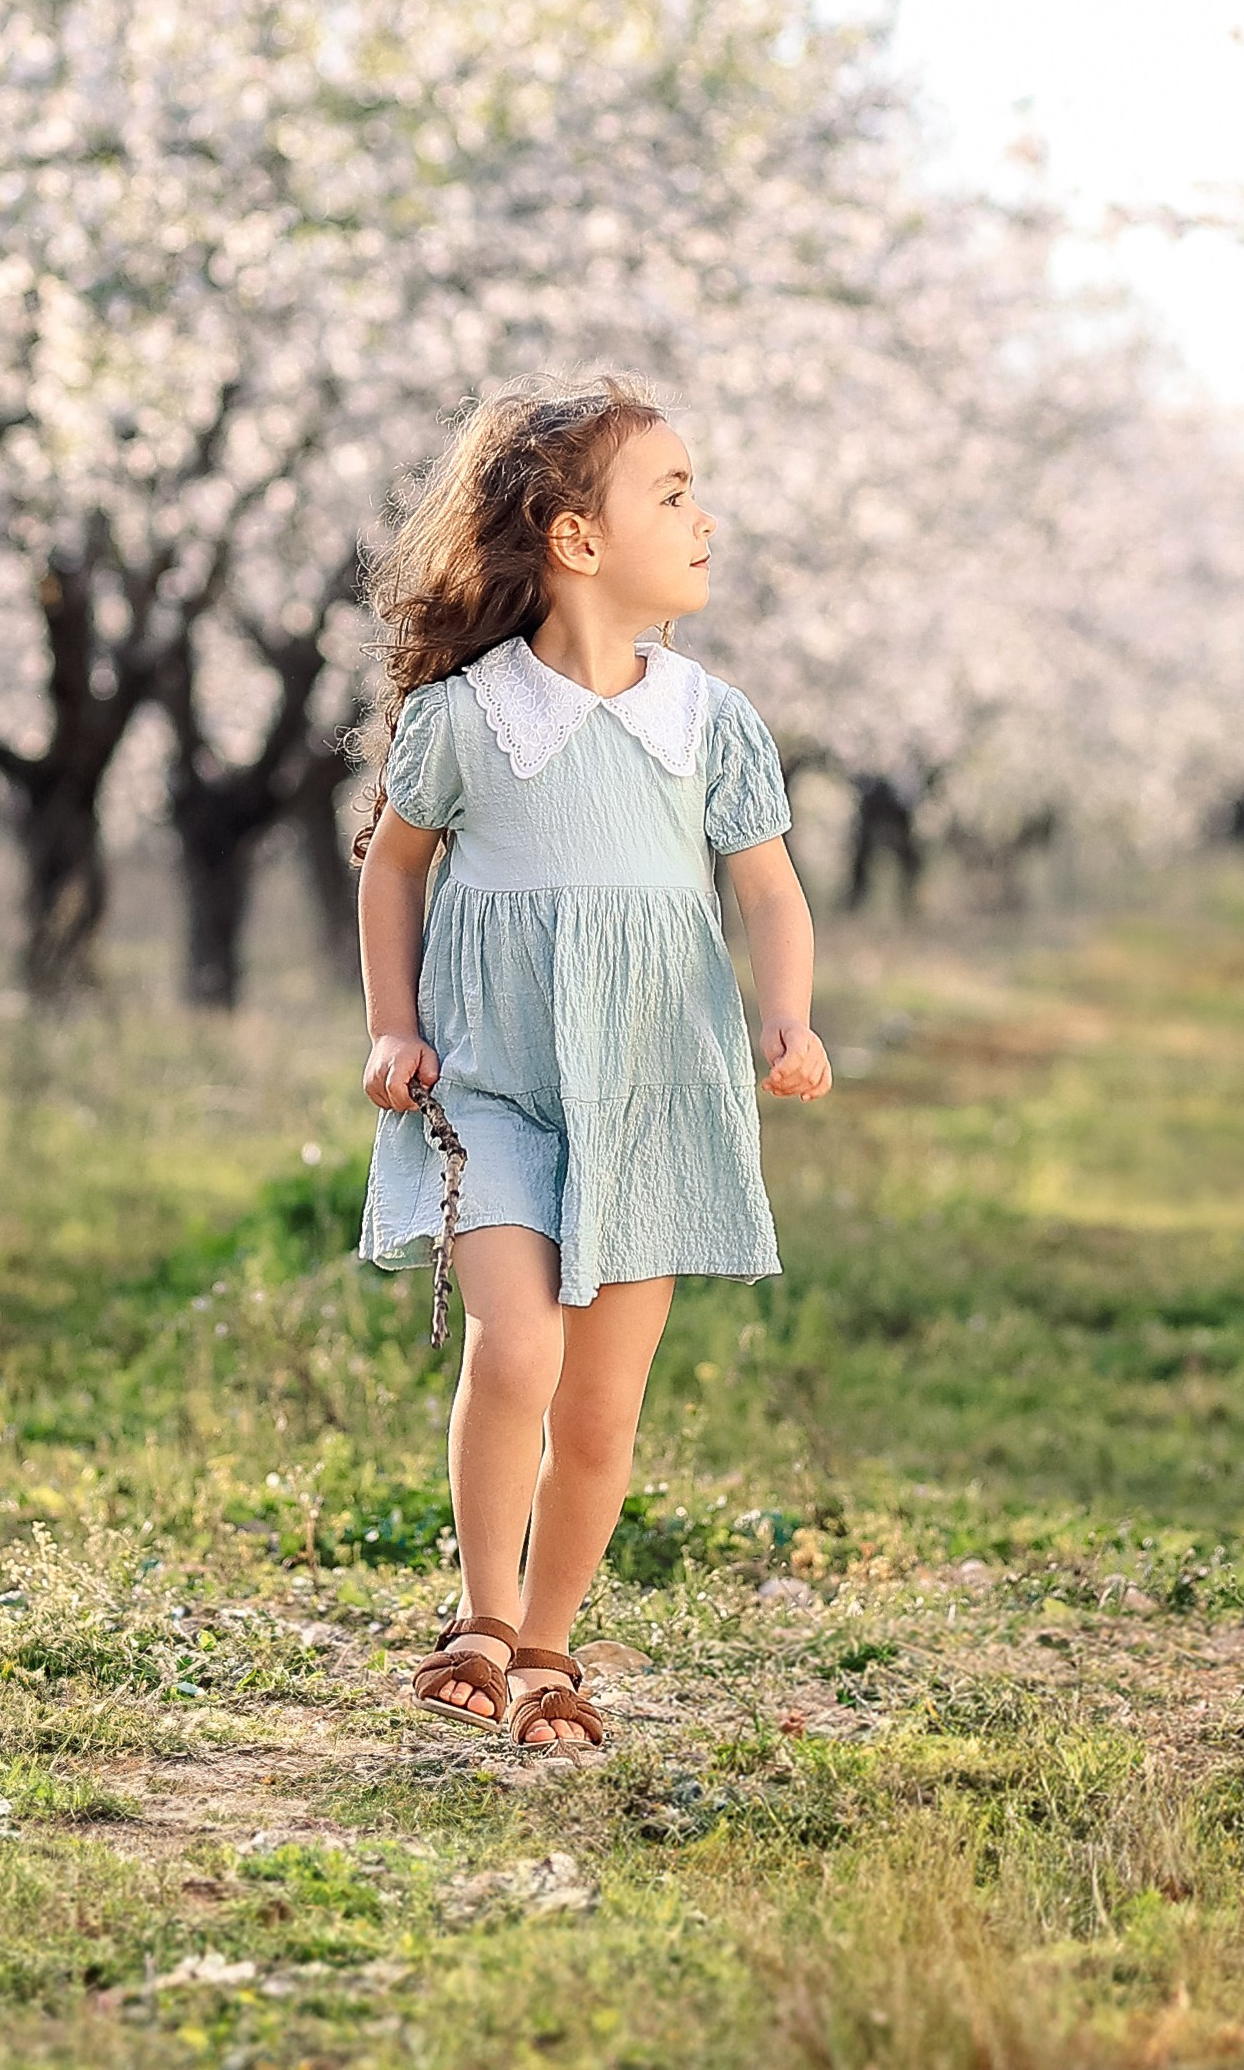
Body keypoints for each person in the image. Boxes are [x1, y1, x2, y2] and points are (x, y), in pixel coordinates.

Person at [356, 375, 831, 1751]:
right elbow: (392, 870)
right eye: (672, 494)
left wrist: (787, 1018)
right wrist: (391, 1026)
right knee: (517, 1350)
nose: (706, 520)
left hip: (655, 1093)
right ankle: (479, 1620)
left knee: (605, 1409)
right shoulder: (467, 719)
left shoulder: (708, 720)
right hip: (491, 1085)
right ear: (574, 539)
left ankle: (553, 1648)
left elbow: (770, 890)